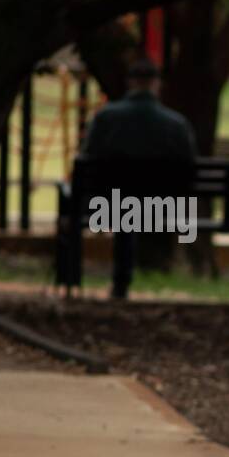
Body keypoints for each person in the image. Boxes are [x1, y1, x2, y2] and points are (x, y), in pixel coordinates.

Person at [80, 57, 196, 300]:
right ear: (156, 84)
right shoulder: (176, 124)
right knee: (133, 206)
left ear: (130, 83)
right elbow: (188, 169)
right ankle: (137, 272)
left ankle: (118, 282)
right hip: (163, 206)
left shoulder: (106, 118)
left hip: (108, 205)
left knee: (125, 207)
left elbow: (87, 158)